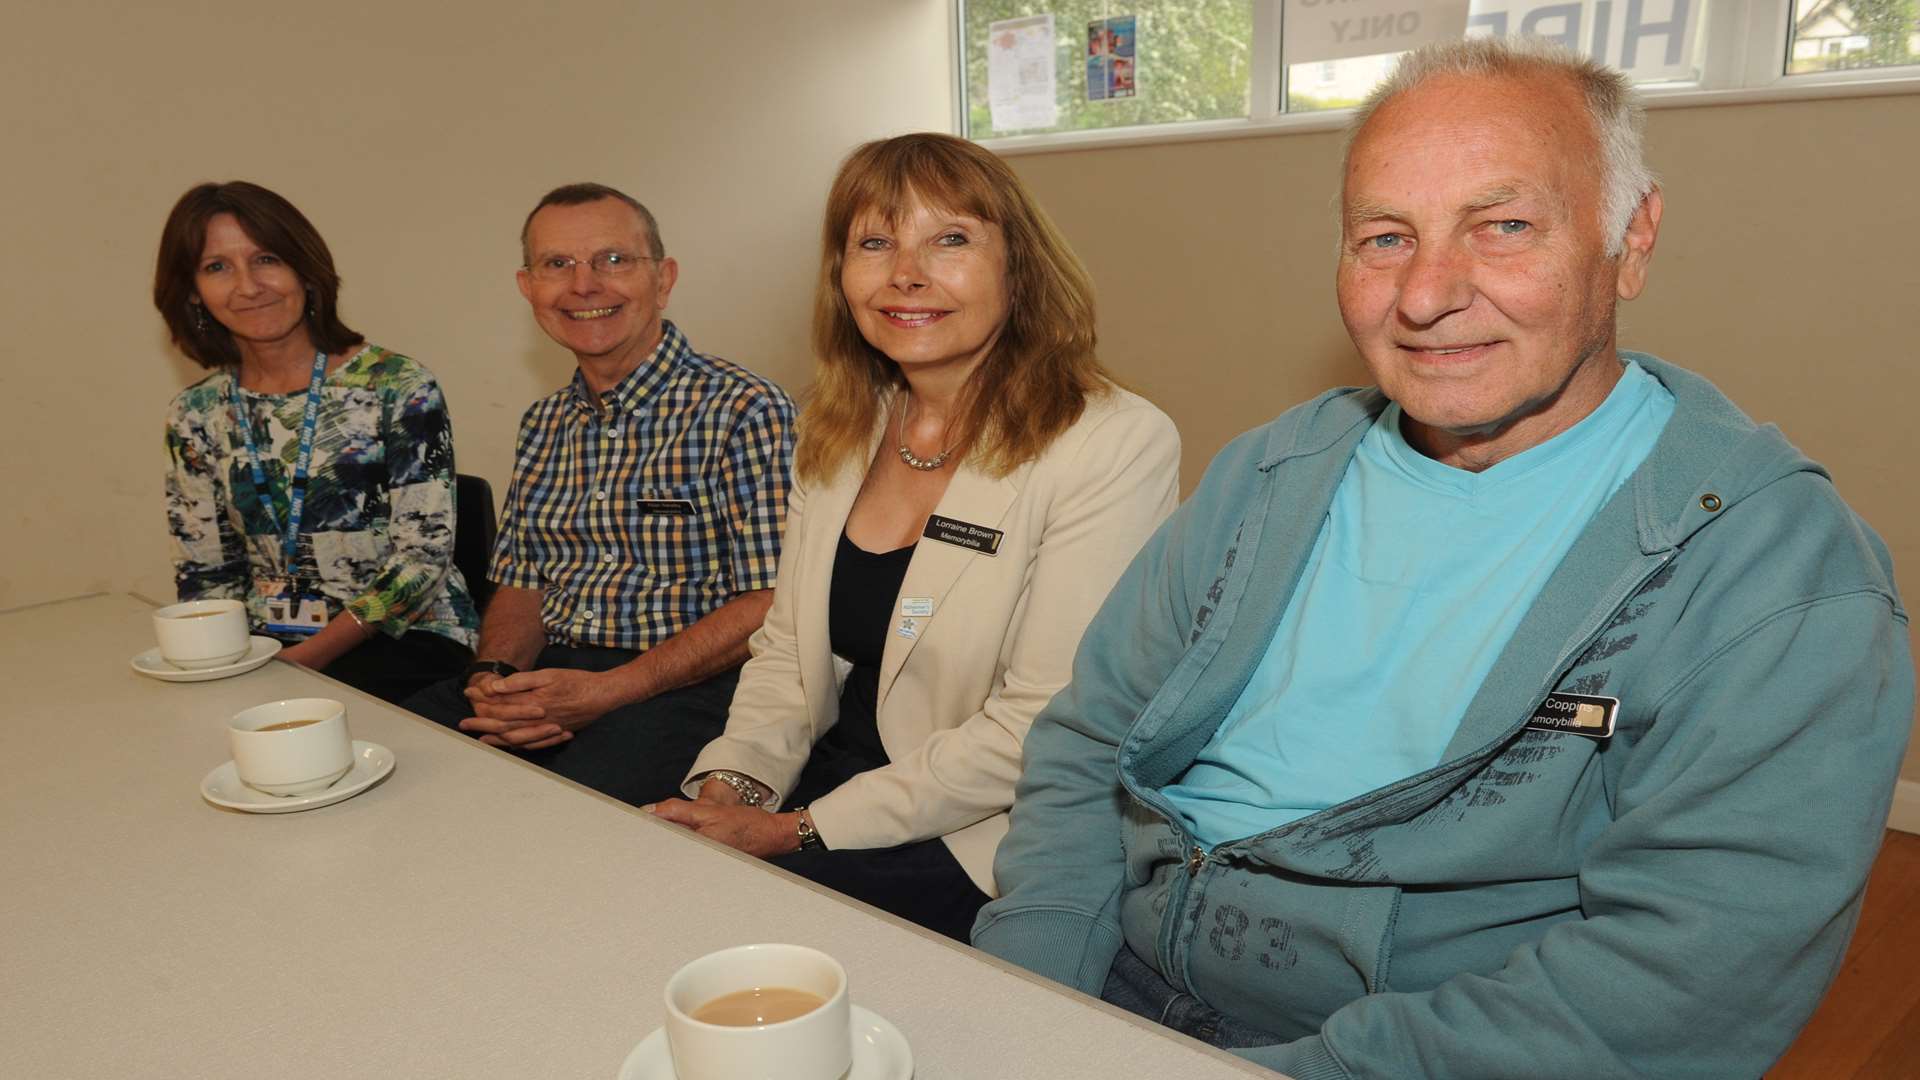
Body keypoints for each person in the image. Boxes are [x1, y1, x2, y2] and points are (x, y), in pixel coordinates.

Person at [974, 37, 1913, 1078]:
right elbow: (1091, 740)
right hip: (1102, 989)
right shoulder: (1272, 473)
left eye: (1504, 226)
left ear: (1631, 239)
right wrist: (1023, 997)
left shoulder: (1777, 575)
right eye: (1383, 237)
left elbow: (1676, 984)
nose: (1424, 296)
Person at [646, 133, 1180, 942]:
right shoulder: (835, 430)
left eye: (951, 239)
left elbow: (1036, 725)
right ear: (841, 276)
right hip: (836, 777)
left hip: (989, 827)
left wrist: (796, 830)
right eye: (874, 242)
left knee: (735, 937)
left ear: (1019, 269)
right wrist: (734, 789)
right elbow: (791, 656)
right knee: (649, 883)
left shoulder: (1112, 441)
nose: (906, 272)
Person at [403, 184, 795, 807]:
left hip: (688, 684)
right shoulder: (543, 423)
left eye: (614, 260)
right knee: (399, 759)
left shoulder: (747, 409)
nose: (585, 285)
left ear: (662, 280)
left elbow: (772, 602)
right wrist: (492, 678)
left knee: (555, 815)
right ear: (528, 287)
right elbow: (523, 583)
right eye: (557, 264)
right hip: (555, 671)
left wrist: (609, 691)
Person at [156, 181, 478, 704]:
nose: (248, 286)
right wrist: (223, 658)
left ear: (306, 270)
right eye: (217, 267)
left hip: (405, 636)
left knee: (303, 721)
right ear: (192, 291)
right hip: (266, 645)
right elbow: (206, 573)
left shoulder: (396, 385)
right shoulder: (195, 414)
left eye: (266, 259)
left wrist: (306, 659)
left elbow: (422, 558)